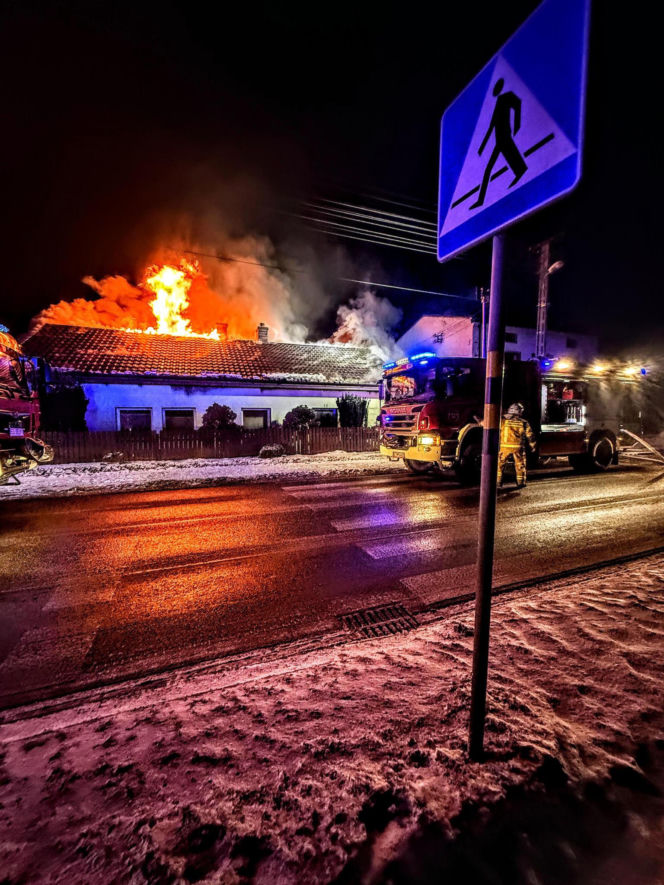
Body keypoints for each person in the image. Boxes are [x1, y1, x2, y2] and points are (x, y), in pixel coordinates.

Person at [497, 402, 536, 488]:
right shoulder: (524, 422)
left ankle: (498, 483)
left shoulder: (502, 420)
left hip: (504, 447)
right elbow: (530, 436)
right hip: (518, 447)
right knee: (520, 465)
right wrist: (533, 446)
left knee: (500, 465)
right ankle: (520, 483)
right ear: (519, 412)